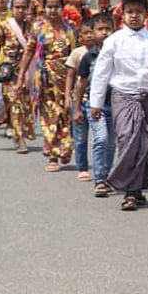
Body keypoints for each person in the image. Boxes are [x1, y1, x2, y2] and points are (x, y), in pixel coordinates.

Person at [89, 0, 148, 210]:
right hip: (122, 97)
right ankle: (128, 191)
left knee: (145, 144)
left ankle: (136, 189)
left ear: (147, 14)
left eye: (139, 12)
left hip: (147, 98)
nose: (134, 16)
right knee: (128, 140)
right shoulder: (114, 41)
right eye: (130, 12)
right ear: (123, 14)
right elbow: (101, 72)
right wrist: (96, 103)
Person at [18, 0, 77, 170]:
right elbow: (29, 52)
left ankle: (65, 150)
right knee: (49, 116)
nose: (53, 10)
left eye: (56, 6)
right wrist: (22, 74)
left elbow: (77, 53)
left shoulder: (71, 28)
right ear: (43, 7)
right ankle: (52, 155)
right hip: (45, 80)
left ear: (62, 7)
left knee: (66, 115)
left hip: (67, 79)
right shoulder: (38, 27)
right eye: (49, 6)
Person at [73, 14, 117, 197]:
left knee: (112, 143)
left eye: (108, 29)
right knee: (101, 138)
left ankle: (107, 176)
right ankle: (99, 179)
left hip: (115, 104)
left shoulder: (119, 54)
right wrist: (76, 109)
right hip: (94, 105)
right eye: (100, 29)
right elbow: (82, 83)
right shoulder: (89, 56)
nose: (105, 33)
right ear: (93, 32)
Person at [0, 0, 33, 150]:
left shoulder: (32, 27)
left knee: (25, 104)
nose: (20, 11)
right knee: (15, 103)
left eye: (23, 7)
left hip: (28, 71)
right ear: (12, 8)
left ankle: (21, 132)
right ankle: (20, 138)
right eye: (17, 7)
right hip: (9, 71)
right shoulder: (4, 26)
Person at [65, 21, 94, 180]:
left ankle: (102, 167)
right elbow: (70, 75)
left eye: (92, 32)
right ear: (80, 36)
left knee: (100, 137)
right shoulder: (77, 53)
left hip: (97, 100)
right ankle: (82, 167)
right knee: (81, 136)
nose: (89, 35)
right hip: (80, 100)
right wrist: (68, 96)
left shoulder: (103, 51)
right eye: (85, 33)